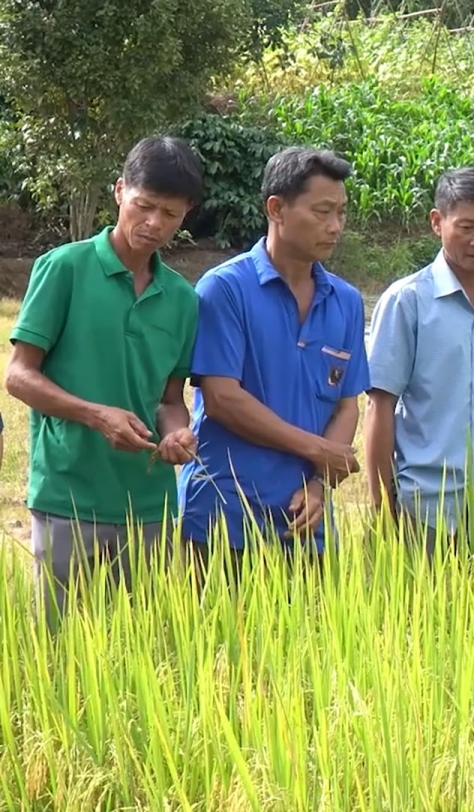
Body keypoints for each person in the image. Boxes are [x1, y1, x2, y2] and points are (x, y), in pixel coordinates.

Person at [4, 135, 203, 629]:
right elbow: (19, 375)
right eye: (144, 206)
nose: (155, 223)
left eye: (171, 214)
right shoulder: (65, 269)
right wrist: (96, 415)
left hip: (150, 501)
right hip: (70, 490)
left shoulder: (182, 298)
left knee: (137, 647)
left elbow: (169, 399)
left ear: (186, 215)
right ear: (119, 192)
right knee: (59, 648)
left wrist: (177, 433)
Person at [178, 147, 368, 583]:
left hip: (306, 521)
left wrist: (320, 483)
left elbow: (345, 404)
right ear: (276, 209)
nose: (335, 226)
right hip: (223, 517)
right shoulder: (225, 289)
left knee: (308, 647)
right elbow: (223, 398)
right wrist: (318, 450)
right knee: (211, 646)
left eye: (341, 212)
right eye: (322, 212)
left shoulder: (346, 301)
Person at [365, 167, 474, 557]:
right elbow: (380, 406)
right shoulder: (407, 300)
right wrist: (382, 505)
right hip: (423, 510)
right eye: (467, 227)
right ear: (437, 222)